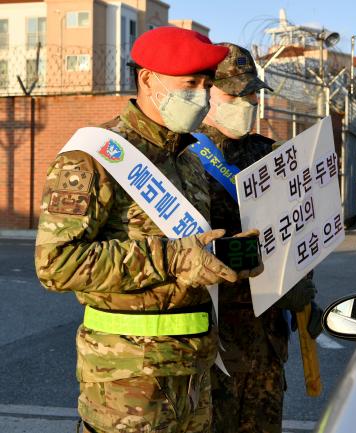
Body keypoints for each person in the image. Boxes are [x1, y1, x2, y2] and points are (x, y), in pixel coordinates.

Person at [34, 27, 251, 433]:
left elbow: (192, 251)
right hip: (128, 380)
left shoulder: (188, 159)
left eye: (206, 84)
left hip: (194, 371)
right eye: (190, 84)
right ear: (148, 79)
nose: (202, 96)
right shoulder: (92, 157)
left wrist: (229, 256)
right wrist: (173, 257)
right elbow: (55, 264)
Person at [194, 43, 322, 433]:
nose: (247, 100)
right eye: (234, 92)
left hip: (266, 340)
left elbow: (297, 232)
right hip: (214, 342)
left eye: (252, 92)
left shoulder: (271, 156)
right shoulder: (184, 159)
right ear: (205, 92)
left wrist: (303, 289)